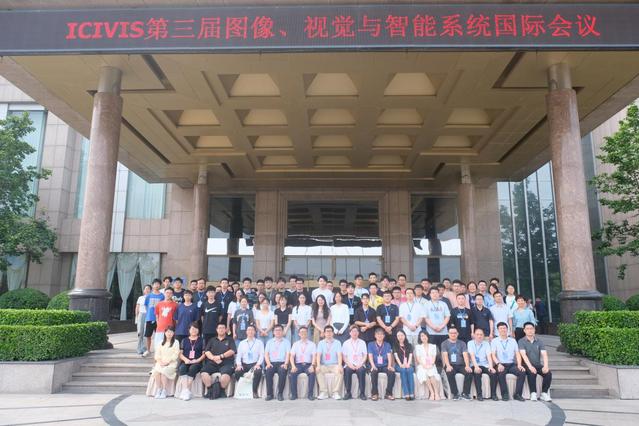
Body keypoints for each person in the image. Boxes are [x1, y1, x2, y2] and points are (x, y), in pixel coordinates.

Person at [491, 321, 526, 401]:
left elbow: (517, 353)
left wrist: (519, 364)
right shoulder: (494, 341)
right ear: (498, 330)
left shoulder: (513, 341)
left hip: (511, 364)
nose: (503, 330)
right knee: (501, 373)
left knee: (522, 372)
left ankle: (517, 394)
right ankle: (504, 394)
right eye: (501, 328)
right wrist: (498, 364)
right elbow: (493, 354)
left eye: (504, 328)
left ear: (507, 329)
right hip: (500, 364)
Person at [518, 322, 552, 402]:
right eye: (527, 329)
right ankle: (533, 393)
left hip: (537, 364)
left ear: (534, 330)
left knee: (548, 373)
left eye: (531, 329)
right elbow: (523, 355)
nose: (530, 330)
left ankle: (544, 393)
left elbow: (544, 354)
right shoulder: (521, 341)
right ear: (524, 330)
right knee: (532, 372)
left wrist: (546, 366)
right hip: (526, 365)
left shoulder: (539, 341)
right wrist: (530, 366)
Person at [201, 323, 236, 399]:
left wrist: (221, 356)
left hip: (226, 363)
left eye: (223, 328)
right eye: (219, 328)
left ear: (226, 330)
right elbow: (207, 351)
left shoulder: (230, 339)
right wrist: (213, 358)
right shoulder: (212, 340)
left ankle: (221, 391)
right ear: (216, 330)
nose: (221, 329)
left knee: (225, 376)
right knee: (204, 373)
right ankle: (210, 390)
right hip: (213, 363)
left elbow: (232, 351)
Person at [441, 327, 472, 400]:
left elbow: (465, 355)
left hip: (461, 364)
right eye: (451, 333)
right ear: (448, 334)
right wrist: (448, 365)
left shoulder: (462, 343)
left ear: (457, 334)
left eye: (455, 333)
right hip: (450, 364)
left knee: (469, 372)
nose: (453, 334)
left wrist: (467, 366)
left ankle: (465, 393)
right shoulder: (444, 343)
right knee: (450, 372)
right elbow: (445, 355)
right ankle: (455, 394)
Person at [234, 324, 264, 399]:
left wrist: (258, 364)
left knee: (258, 372)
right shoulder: (242, 343)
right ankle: (243, 390)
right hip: (244, 364)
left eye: (252, 330)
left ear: (255, 332)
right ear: (246, 332)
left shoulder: (259, 342)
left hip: (255, 364)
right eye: (249, 330)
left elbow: (261, 355)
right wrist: (239, 365)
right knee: (237, 372)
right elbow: (238, 356)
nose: (250, 331)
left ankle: (254, 391)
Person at [467, 328, 497, 401]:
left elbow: (489, 356)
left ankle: (493, 394)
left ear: (483, 336)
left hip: (485, 364)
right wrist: (476, 367)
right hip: (474, 364)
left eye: (481, 335)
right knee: (477, 373)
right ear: (474, 335)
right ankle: (479, 395)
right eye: (477, 334)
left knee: (493, 374)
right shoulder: (470, 343)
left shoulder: (486, 343)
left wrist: (491, 367)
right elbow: (472, 356)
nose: (479, 336)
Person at [177, 322, 205, 400]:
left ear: (198, 330)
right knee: (182, 368)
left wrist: (197, 360)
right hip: (186, 361)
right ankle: (186, 391)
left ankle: (185, 390)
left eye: (196, 328)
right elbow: (180, 354)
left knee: (193, 368)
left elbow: (204, 354)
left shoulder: (202, 340)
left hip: (197, 362)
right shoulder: (184, 340)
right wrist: (185, 359)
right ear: (189, 330)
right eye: (192, 329)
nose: (194, 330)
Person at [150, 325, 180, 399]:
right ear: (165, 333)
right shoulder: (160, 342)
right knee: (156, 372)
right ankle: (159, 389)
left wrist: (167, 362)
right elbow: (157, 355)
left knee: (164, 372)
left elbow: (176, 354)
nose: (169, 333)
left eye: (171, 332)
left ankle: (164, 390)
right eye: (167, 332)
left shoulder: (176, 342)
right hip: (160, 363)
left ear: (173, 333)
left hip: (171, 364)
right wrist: (160, 362)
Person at [264, 324, 291, 401]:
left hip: (282, 363)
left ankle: (280, 393)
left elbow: (288, 354)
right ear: (273, 332)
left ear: (282, 332)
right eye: (276, 330)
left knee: (282, 371)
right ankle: (269, 394)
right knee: (268, 372)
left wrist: (286, 364)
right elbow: (266, 354)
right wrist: (268, 363)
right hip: (271, 363)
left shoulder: (287, 342)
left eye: (280, 330)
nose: (278, 332)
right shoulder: (269, 342)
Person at [289, 326, 317, 400]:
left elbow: (314, 356)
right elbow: (291, 356)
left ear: (307, 333)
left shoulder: (312, 344)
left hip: (308, 365)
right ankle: (294, 394)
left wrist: (312, 365)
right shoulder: (295, 344)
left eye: (305, 332)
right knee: (292, 373)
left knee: (312, 373)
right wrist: (293, 366)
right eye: (301, 332)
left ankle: (310, 395)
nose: (303, 333)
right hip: (298, 365)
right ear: (299, 334)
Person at [315, 325, 343, 400]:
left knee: (340, 371)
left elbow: (339, 355)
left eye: (330, 331)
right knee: (318, 370)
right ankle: (324, 392)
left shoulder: (337, 342)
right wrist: (318, 365)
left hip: (334, 365)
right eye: (327, 331)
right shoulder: (321, 343)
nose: (329, 333)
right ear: (324, 333)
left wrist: (340, 365)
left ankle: (335, 392)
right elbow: (318, 355)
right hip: (324, 365)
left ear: (333, 333)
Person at [367, 327, 396, 400]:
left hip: (384, 365)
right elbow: (370, 356)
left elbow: (389, 356)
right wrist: (373, 366)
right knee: (373, 372)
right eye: (378, 334)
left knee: (392, 373)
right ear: (375, 335)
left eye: (381, 334)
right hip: (375, 365)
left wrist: (389, 365)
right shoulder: (370, 344)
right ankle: (374, 393)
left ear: (384, 336)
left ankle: (388, 393)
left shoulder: (387, 344)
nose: (380, 336)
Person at [342, 326, 368, 400]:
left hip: (360, 364)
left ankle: (362, 393)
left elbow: (365, 355)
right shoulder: (346, 343)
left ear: (358, 333)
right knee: (347, 370)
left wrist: (360, 364)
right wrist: (350, 365)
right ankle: (348, 393)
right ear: (350, 333)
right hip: (349, 364)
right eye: (353, 331)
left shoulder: (362, 342)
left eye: (356, 331)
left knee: (362, 371)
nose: (354, 333)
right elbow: (344, 357)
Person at [414, 331, 441, 400]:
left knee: (431, 374)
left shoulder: (433, 346)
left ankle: (436, 393)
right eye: (422, 336)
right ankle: (432, 393)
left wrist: (431, 364)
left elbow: (434, 357)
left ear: (428, 336)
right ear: (420, 338)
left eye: (425, 335)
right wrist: (424, 365)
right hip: (422, 365)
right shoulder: (418, 347)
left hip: (431, 364)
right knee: (425, 374)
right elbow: (418, 359)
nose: (424, 337)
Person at [144, 279, 164, 354]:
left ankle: (159, 350)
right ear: (152, 285)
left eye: (158, 284)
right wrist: (150, 314)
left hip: (159, 319)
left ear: (160, 285)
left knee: (159, 336)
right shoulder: (148, 296)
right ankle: (148, 350)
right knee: (148, 335)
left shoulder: (162, 296)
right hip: (150, 318)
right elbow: (146, 306)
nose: (156, 285)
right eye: (155, 284)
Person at [393, 330, 415, 400]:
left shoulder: (409, 345)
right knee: (403, 370)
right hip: (398, 365)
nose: (400, 337)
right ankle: (406, 393)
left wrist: (408, 364)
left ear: (405, 336)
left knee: (410, 370)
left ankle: (411, 393)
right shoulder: (395, 346)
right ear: (397, 337)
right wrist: (401, 365)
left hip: (408, 364)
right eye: (398, 336)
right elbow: (396, 357)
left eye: (402, 335)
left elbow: (410, 356)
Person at [136, 284, 151, 356]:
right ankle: (139, 348)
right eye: (146, 289)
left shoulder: (151, 297)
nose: (147, 290)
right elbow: (137, 307)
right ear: (143, 290)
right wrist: (137, 317)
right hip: (141, 315)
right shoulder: (140, 298)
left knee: (146, 333)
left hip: (148, 315)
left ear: (150, 290)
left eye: (148, 289)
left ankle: (144, 349)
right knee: (140, 332)